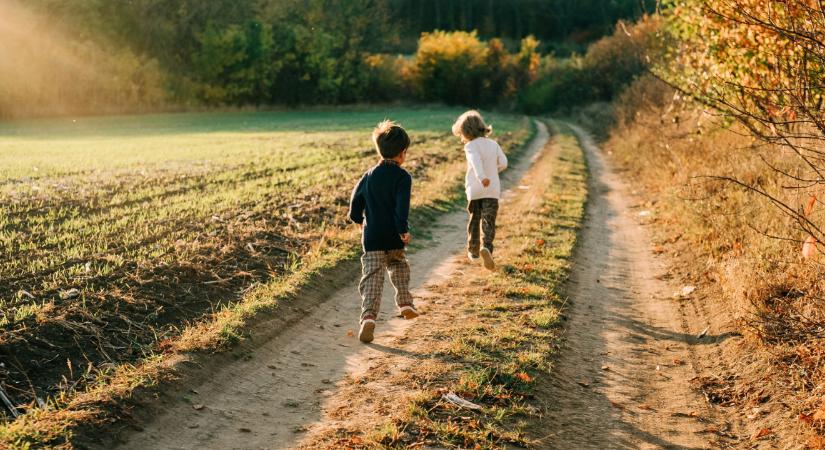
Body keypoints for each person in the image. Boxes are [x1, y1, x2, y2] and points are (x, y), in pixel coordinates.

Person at [348, 120, 419, 343]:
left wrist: (358, 219)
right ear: (402, 153)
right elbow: (401, 207)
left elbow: (355, 202)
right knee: (398, 266)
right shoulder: (403, 177)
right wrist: (403, 230)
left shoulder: (368, 176)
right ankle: (405, 302)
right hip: (392, 236)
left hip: (372, 237)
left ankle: (368, 317)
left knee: (372, 277)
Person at [452, 110, 507, 270]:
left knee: (474, 219)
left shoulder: (470, 146)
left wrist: (482, 176)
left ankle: (474, 252)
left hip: (475, 189)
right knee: (489, 220)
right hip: (492, 190)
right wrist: (492, 172)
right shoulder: (494, 144)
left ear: (466, 132)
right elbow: (504, 163)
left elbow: (475, 162)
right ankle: (487, 248)